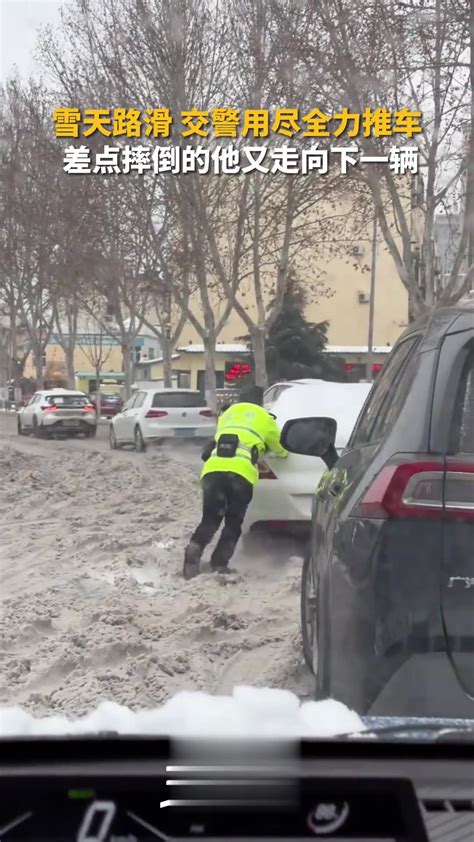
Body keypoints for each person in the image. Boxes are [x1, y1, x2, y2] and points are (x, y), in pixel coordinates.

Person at [183, 384, 288, 579]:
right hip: (240, 475)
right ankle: (219, 564)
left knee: (210, 519)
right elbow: (280, 448)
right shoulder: (265, 417)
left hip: (212, 471)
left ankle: (192, 557)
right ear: (260, 402)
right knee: (233, 522)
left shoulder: (227, 414)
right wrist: (277, 453)